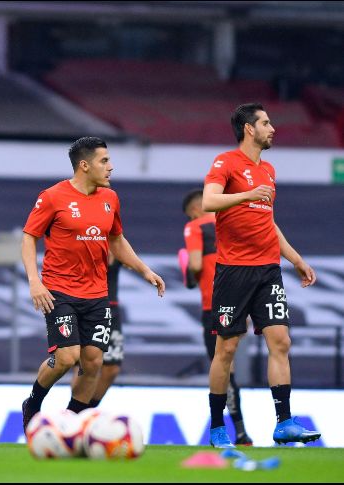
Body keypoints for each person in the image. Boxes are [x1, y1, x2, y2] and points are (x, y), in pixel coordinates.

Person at [20, 136, 165, 432]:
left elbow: (117, 240)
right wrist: (35, 282)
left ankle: (71, 426)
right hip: (59, 290)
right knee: (66, 357)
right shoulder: (52, 196)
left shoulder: (110, 198)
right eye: (104, 161)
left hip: (98, 294)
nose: (110, 167)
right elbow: (28, 237)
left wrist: (143, 270)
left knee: (93, 362)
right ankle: (33, 403)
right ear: (84, 166)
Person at [203, 102, 320, 448]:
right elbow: (210, 201)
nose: (273, 129)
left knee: (280, 340)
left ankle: (283, 422)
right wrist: (247, 195)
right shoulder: (226, 162)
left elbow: (266, 221)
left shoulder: (268, 170)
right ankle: (217, 426)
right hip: (233, 271)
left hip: (268, 269)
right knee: (226, 349)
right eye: (266, 123)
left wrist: (296, 258)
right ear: (249, 129)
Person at [182, 189, 253, 446]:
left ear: (195, 209)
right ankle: (242, 431)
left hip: (212, 306)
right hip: (238, 301)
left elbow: (197, 265)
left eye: (190, 214)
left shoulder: (195, 228)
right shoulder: (232, 223)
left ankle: (225, 429)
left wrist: (188, 269)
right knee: (229, 366)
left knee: (220, 367)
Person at [68, 253, 123, 412]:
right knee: (85, 365)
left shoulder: (117, 241)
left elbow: (130, 260)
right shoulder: (86, 240)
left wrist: (145, 271)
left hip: (111, 310)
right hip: (87, 307)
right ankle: (74, 413)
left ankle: (84, 412)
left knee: (111, 368)